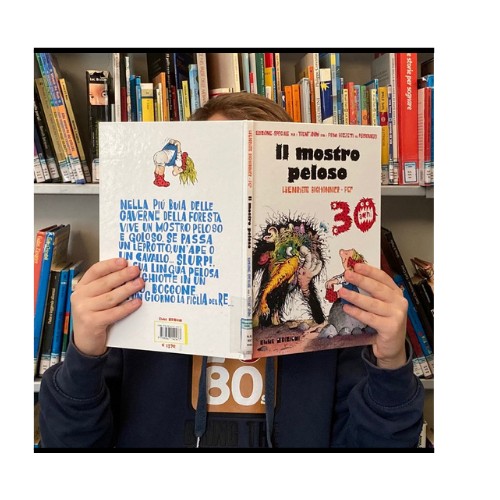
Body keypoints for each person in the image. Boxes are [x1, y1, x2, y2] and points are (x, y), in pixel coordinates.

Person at [39, 92, 425, 449]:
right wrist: (84, 352)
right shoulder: (134, 301)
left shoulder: (328, 324)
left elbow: (378, 450)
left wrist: (391, 362)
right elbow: (68, 444)